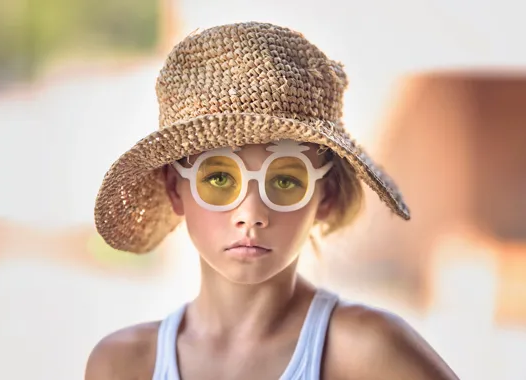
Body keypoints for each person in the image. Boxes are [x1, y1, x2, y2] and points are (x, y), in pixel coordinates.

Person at [86, 22, 459, 380]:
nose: (251, 214)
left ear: (324, 196)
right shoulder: (122, 365)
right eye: (218, 178)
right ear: (174, 189)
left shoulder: (367, 351)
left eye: (285, 180)